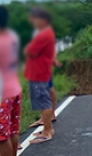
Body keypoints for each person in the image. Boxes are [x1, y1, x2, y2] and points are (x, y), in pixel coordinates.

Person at [25, 8, 56, 145]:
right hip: (41, 71)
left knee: (44, 102)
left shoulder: (43, 35)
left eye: (34, 18)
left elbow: (30, 51)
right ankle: (48, 128)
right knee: (45, 100)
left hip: (39, 73)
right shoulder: (46, 33)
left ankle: (47, 131)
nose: (32, 20)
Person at [0, 6, 22, 156]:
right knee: (12, 130)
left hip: (3, 94)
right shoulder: (12, 36)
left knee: (1, 138)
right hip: (15, 88)